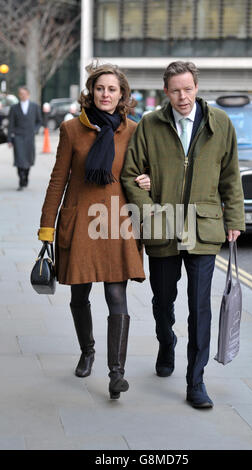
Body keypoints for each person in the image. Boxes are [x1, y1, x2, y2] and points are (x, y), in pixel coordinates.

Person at [121, 61, 245, 409]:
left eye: (188, 88)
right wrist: (149, 211)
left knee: (199, 306)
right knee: (162, 302)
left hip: (203, 227)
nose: (183, 96)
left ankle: (196, 380)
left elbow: (231, 176)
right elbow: (131, 175)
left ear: (196, 87)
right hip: (163, 227)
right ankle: (166, 341)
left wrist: (234, 218)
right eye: (176, 90)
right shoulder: (150, 124)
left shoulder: (219, 123)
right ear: (166, 92)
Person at [38, 63, 149, 400]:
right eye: (100, 88)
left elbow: (143, 173)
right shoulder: (72, 129)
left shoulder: (134, 130)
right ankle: (88, 351)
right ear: (91, 91)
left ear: (122, 95)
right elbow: (58, 179)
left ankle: (117, 374)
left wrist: (148, 180)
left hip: (116, 223)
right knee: (79, 294)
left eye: (112, 89)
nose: (105, 94)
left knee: (117, 295)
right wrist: (46, 227)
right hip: (80, 221)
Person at [7, 86, 42, 190]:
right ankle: (21, 180)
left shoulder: (34, 107)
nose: (23, 95)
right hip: (17, 137)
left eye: (24, 93)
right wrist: (9, 139)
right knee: (19, 159)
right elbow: (10, 125)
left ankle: (26, 176)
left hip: (30, 136)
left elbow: (39, 121)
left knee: (28, 158)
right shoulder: (14, 108)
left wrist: (35, 130)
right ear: (19, 95)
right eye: (21, 94)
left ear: (28, 94)